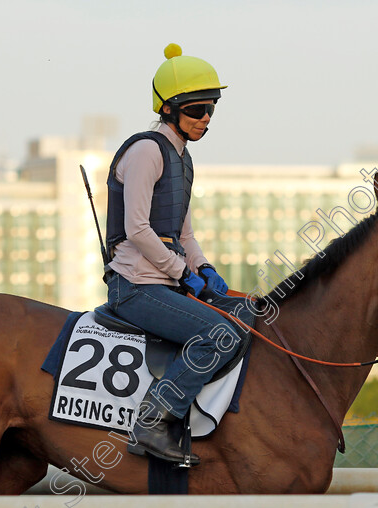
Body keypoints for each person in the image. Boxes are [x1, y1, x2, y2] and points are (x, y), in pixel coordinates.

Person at [104, 43, 239, 465]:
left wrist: (204, 267)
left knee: (243, 317)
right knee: (222, 335)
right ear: (169, 109)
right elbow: (137, 230)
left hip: (162, 281)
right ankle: (153, 420)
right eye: (198, 109)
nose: (207, 119)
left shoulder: (184, 159)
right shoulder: (146, 151)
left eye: (212, 109)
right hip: (135, 286)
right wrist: (183, 273)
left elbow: (184, 232)